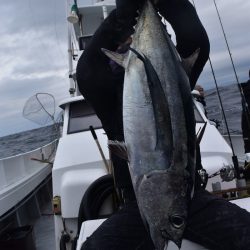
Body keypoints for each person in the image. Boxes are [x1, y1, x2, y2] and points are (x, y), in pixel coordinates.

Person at [76, 1, 250, 249]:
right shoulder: (108, 94)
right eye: (124, 41)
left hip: (191, 198)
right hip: (137, 206)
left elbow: (196, 39)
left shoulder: (176, 78)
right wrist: (121, 17)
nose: (130, 44)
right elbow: (86, 72)